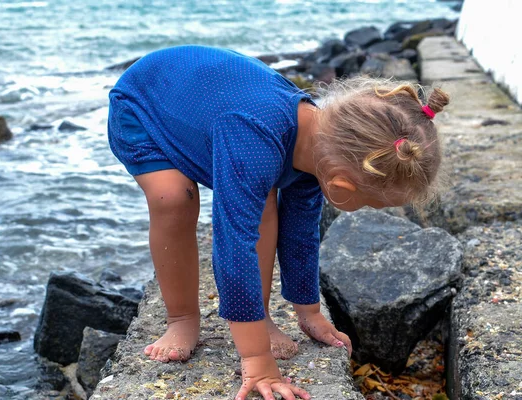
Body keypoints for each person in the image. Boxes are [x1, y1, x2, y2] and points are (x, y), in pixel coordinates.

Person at [107, 45, 449, 400]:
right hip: (145, 105)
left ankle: (263, 317)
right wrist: (257, 358)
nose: (370, 210)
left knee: (264, 195)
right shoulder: (258, 138)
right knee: (174, 198)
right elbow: (232, 244)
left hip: (207, 109)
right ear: (341, 185)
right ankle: (181, 319)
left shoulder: (321, 145)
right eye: (372, 204)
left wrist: (309, 312)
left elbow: (300, 233)